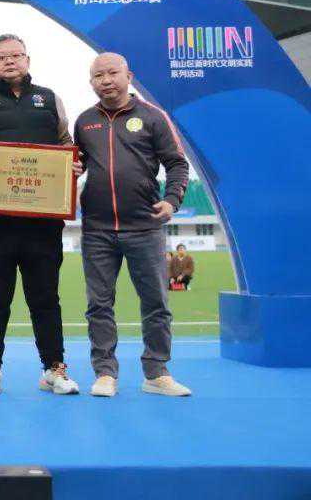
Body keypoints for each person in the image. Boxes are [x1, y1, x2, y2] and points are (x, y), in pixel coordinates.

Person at [0, 34, 82, 396]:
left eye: (16, 55)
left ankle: (54, 369)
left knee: (46, 298)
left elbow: (66, 145)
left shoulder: (49, 99)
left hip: (42, 223)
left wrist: (74, 165)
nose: (9, 61)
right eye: (1, 57)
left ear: (27, 59)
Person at [74, 52, 192, 397]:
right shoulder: (84, 121)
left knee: (155, 302)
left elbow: (177, 164)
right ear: (91, 82)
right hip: (97, 229)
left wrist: (172, 200)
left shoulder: (153, 116)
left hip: (145, 226)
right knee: (99, 305)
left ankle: (156, 373)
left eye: (112, 73)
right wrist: (73, 169)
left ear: (129, 76)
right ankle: (104, 373)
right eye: (98, 76)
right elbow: (76, 163)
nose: (106, 80)